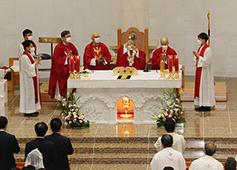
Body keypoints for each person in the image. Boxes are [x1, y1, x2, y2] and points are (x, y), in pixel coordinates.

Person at [48, 30, 79, 99]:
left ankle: (71, 100)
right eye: (67, 36)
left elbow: (76, 55)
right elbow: (56, 60)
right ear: (63, 38)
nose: (69, 38)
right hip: (62, 71)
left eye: (70, 36)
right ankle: (63, 101)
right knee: (62, 87)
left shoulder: (71, 46)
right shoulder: (58, 47)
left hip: (70, 70)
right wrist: (66, 58)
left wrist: (72, 57)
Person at [193, 32, 215, 112]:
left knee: (205, 87)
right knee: (200, 87)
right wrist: (196, 57)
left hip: (205, 72)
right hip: (200, 70)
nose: (198, 40)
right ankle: (201, 104)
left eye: (199, 39)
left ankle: (207, 105)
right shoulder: (200, 47)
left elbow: (207, 61)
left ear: (204, 40)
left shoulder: (208, 49)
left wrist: (198, 56)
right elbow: (199, 58)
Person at [19, 40, 41, 117]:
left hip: (32, 77)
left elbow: (33, 64)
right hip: (28, 79)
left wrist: (36, 61)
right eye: (31, 46)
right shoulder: (24, 57)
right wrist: (36, 62)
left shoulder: (30, 54)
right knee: (29, 93)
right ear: (27, 47)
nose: (33, 48)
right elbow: (29, 68)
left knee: (33, 93)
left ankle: (32, 109)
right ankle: (28, 111)